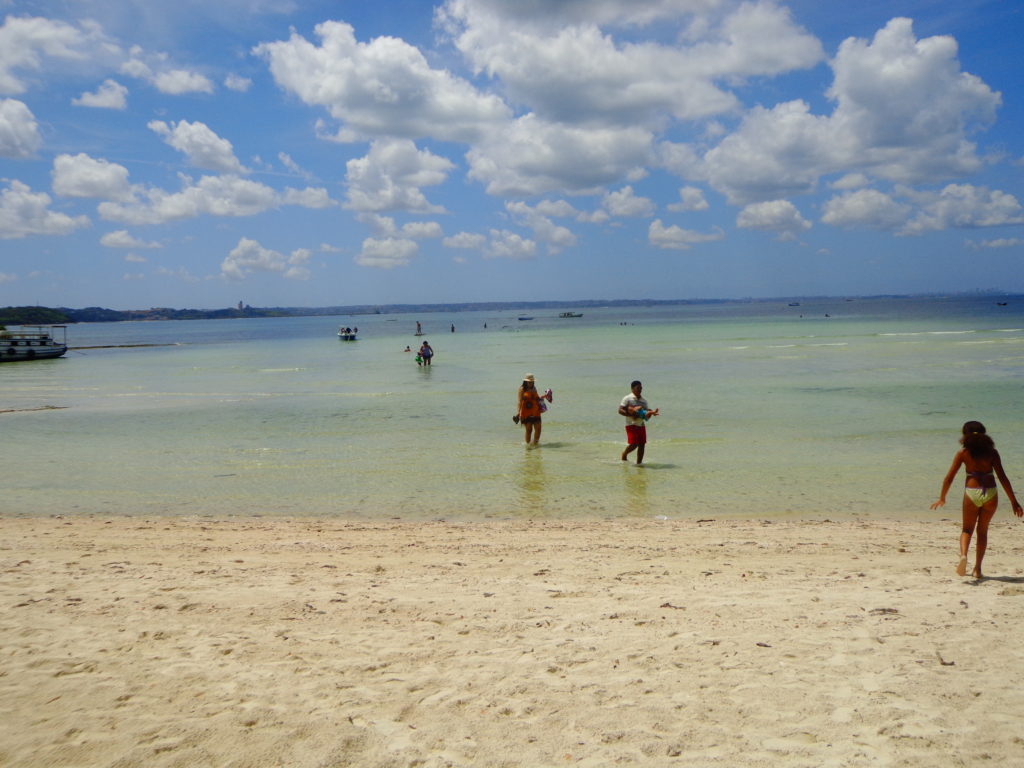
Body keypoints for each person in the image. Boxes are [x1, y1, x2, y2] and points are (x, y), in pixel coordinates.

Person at [931, 421, 1022, 578]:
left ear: (965, 435)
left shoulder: (963, 453)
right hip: (991, 494)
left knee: (967, 529)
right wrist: (1014, 501)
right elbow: (1002, 477)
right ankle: (977, 569)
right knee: (983, 531)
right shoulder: (992, 453)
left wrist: (942, 497)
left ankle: (964, 555)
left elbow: (949, 478)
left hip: (971, 493)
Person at [619, 380, 659, 465]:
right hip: (631, 424)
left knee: (642, 444)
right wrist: (630, 415)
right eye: (638, 388)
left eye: (641, 388)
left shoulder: (644, 401)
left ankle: (639, 464)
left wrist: (651, 413)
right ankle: (624, 454)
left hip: (641, 424)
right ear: (632, 389)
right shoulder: (627, 398)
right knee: (634, 444)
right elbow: (620, 410)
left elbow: (646, 415)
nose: (640, 390)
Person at [515, 374, 543, 445]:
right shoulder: (522, 389)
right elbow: (520, 402)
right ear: (525, 382)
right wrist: (519, 413)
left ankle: (535, 444)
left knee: (538, 428)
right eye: (529, 382)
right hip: (526, 412)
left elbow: (536, 398)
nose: (531, 383)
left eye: (532, 382)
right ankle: (528, 447)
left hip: (536, 411)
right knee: (529, 430)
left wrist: (542, 400)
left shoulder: (534, 388)